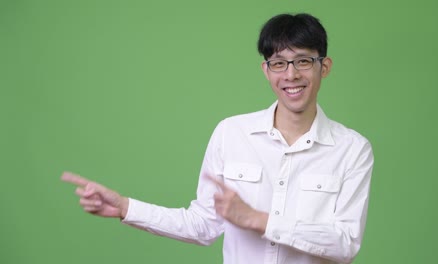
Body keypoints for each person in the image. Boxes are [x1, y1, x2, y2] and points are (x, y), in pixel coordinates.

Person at [62, 13, 374, 264]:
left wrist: (259, 220)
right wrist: (125, 208)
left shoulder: (352, 149)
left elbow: (344, 243)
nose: (290, 75)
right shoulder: (232, 133)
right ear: (266, 71)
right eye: (279, 63)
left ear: (325, 67)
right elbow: (203, 224)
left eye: (303, 61)